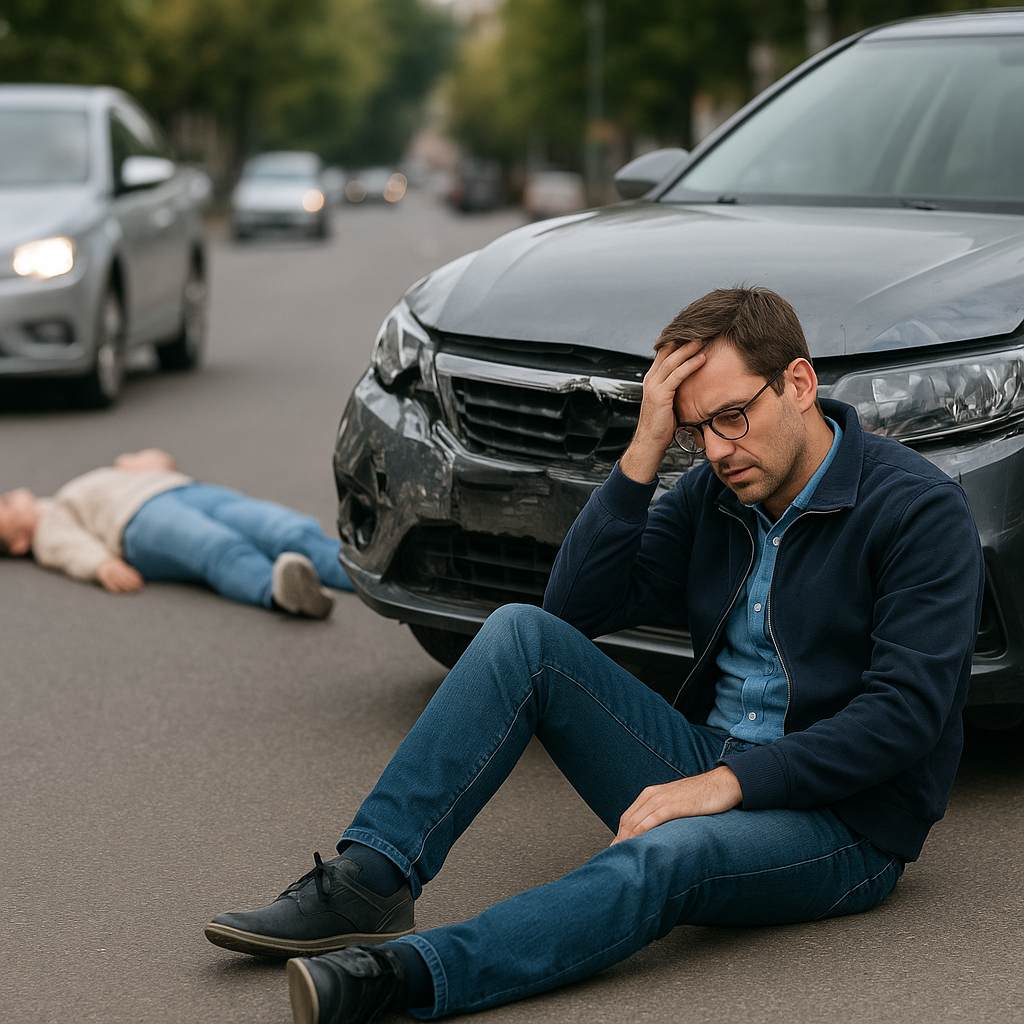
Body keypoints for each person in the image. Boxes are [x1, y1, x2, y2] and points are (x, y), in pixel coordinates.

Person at [203, 288, 984, 1024]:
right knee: (519, 635)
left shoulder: (917, 511)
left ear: (800, 384)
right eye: (695, 429)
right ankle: (369, 882)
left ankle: (406, 976)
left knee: (669, 855)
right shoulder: (720, 489)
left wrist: (725, 784)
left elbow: (902, 719)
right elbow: (571, 614)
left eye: (733, 417)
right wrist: (644, 450)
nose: (715, 449)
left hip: (844, 821)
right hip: (706, 760)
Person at [0, 449, 353, 617]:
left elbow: (158, 460)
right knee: (216, 547)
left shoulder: (66, 493)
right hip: (137, 520)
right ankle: (280, 592)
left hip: (180, 489)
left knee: (281, 527)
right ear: (18, 544)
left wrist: (146, 462)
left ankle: (368, 573)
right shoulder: (51, 523)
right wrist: (101, 565)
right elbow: (68, 548)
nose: (5, 500)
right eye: (3, 510)